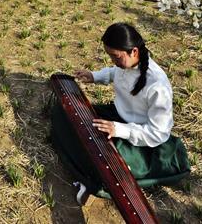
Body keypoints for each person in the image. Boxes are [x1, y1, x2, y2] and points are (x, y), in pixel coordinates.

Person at [51, 22, 191, 205]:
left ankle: (89, 182)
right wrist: (94, 76)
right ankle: (86, 171)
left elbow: (159, 133)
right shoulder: (125, 63)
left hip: (140, 138)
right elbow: (114, 72)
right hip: (116, 116)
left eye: (115, 56)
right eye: (110, 56)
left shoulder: (158, 85)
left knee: (106, 164)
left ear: (133, 51)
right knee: (64, 112)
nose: (113, 61)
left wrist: (119, 130)